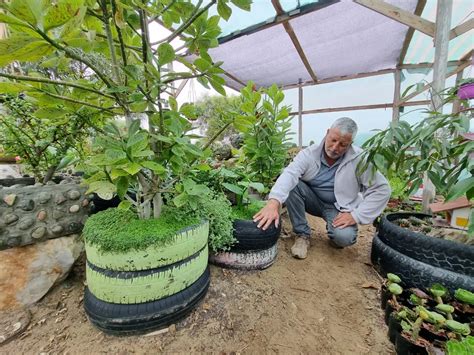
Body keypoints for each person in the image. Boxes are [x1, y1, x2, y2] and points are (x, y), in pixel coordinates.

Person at [253, 117, 391, 259]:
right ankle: (302, 234)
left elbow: (382, 189)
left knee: (344, 238)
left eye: (343, 144)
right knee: (294, 185)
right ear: (327, 133)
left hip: (339, 208)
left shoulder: (360, 159)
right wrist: (273, 202)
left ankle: (335, 233)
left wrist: (356, 215)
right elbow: (290, 174)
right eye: (333, 140)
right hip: (312, 200)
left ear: (350, 143)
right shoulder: (309, 154)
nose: (335, 147)